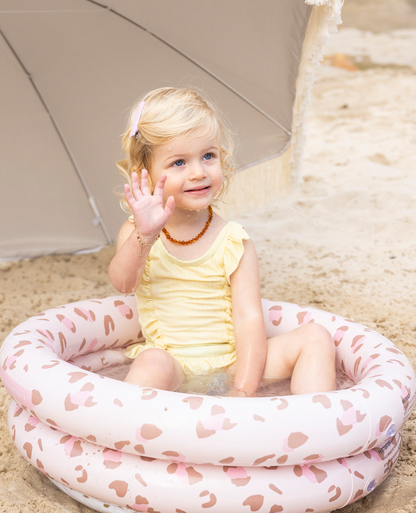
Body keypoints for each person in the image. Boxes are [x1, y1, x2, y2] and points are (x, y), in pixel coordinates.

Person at [108, 87, 336, 396]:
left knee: (316, 338)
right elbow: (123, 283)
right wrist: (145, 236)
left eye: (208, 156)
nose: (198, 172)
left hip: (232, 365)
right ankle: (127, 437)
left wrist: (242, 388)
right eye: (179, 163)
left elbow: (249, 318)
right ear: (146, 175)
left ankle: (315, 433)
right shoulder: (138, 233)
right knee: (151, 363)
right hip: (171, 364)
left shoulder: (233, 241)